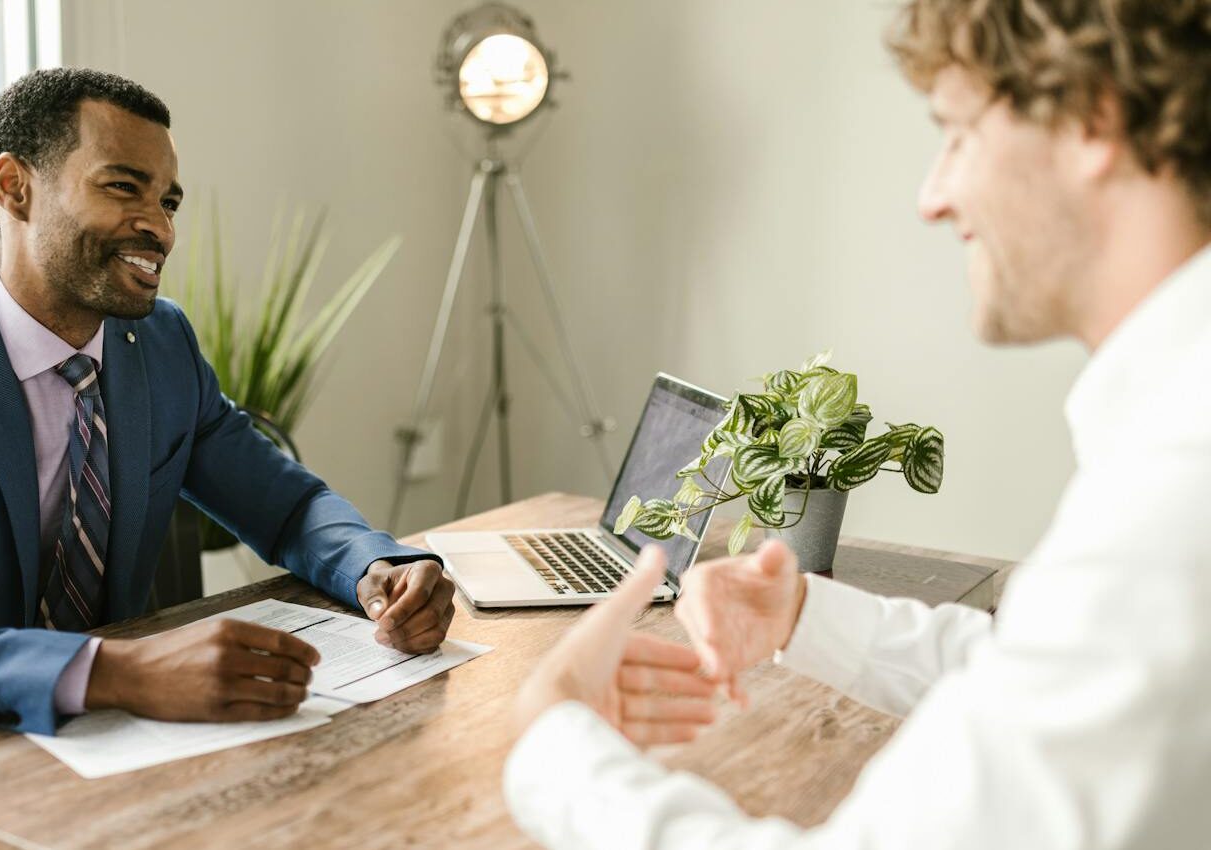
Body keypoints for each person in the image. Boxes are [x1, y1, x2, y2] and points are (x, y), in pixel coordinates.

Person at [508, 0, 1211, 846]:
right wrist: (804, 617)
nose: (932, 196)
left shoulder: (1176, 492)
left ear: (1093, 116)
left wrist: (549, 739)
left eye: (956, 133)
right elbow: (1055, 682)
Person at [0, 67, 456, 850]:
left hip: (102, 743)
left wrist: (375, 568)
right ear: (15, 187)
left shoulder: (160, 344)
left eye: (168, 201)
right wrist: (112, 670)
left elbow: (284, 503)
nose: (160, 227)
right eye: (124, 188)